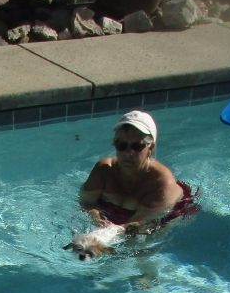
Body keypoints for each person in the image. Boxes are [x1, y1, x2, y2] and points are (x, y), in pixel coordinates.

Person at [68, 110, 199, 260]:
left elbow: (136, 225)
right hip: (118, 213)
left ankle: (148, 269)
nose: (128, 153)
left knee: (139, 251)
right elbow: (86, 202)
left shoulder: (161, 183)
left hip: (166, 213)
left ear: (151, 148)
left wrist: (100, 237)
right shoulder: (104, 170)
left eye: (137, 146)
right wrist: (96, 218)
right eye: (122, 145)